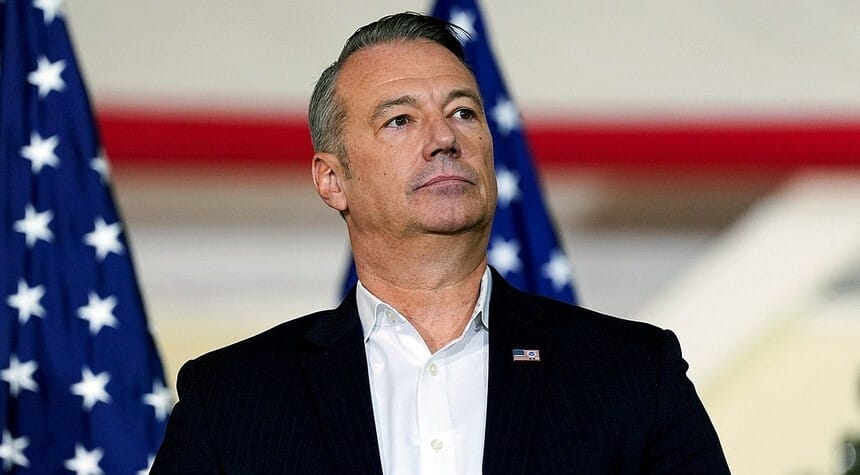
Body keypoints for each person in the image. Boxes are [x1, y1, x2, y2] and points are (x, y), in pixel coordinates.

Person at [152, 12, 730, 474]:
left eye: (463, 112)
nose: (444, 139)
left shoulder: (633, 374)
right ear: (332, 179)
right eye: (400, 120)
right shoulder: (231, 400)